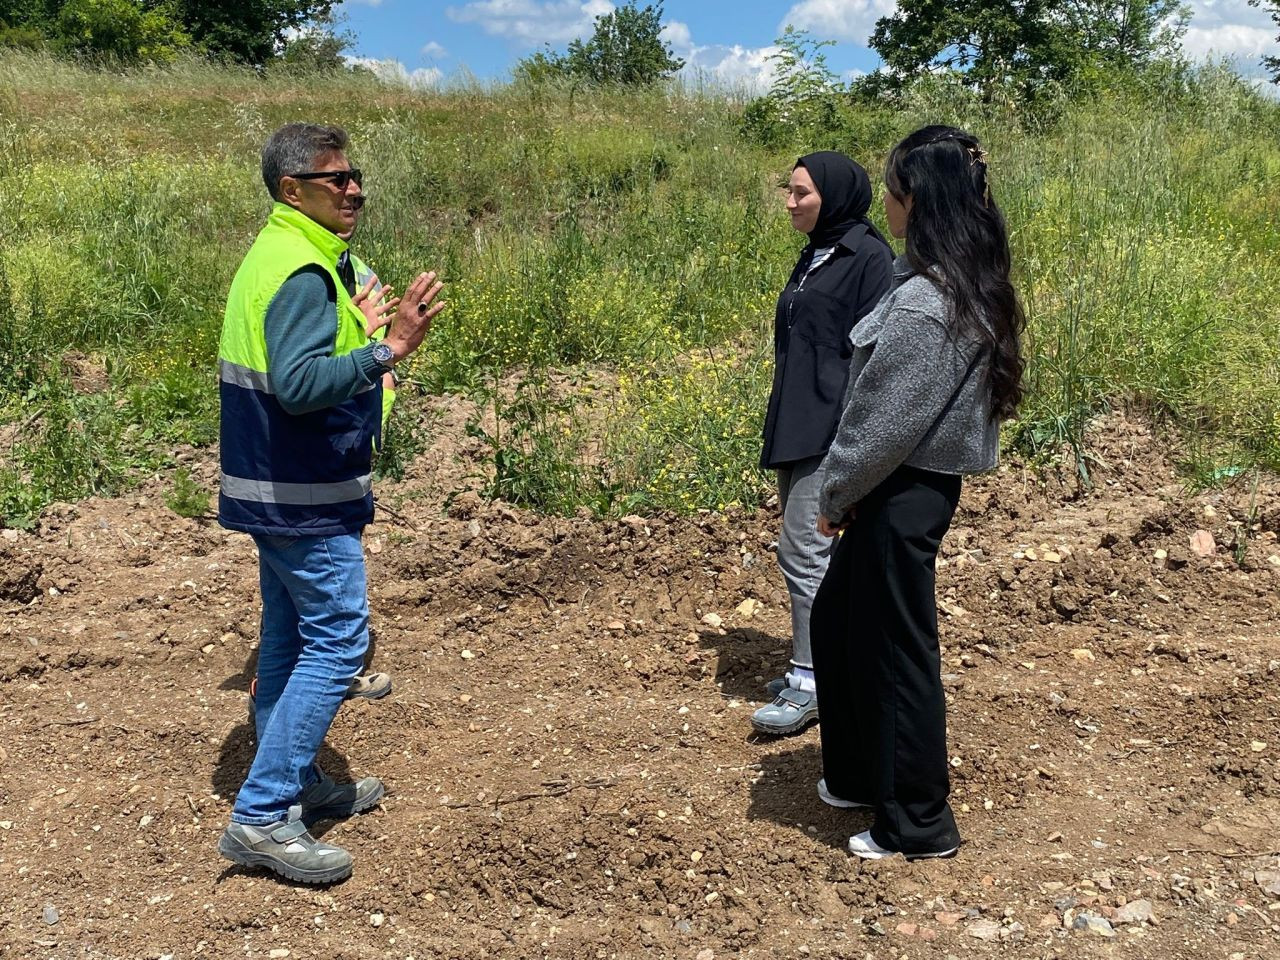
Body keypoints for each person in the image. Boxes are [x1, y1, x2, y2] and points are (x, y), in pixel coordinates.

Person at [216, 123, 445, 884]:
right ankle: (260, 814)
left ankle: (299, 781)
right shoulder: (302, 270)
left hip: (278, 483)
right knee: (341, 641)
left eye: (355, 177)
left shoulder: (295, 255)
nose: (353, 190)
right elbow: (300, 383)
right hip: (300, 491)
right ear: (292, 190)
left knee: (286, 636)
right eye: (335, 179)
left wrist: (365, 329)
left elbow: (306, 364)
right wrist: (390, 348)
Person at [809, 125, 1025, 860]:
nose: (888, 204)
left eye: (895, 190)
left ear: (917, 202)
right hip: (901, 487)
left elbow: (880, 423)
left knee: (898, 652)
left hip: (897, 490)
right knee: (843, 624)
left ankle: (918, 823)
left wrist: (835, 494)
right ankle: (861, 776)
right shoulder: (941, 286)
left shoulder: (927, 304)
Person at [752, 152, 893, 736]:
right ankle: (825, 664)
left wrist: (851, 439)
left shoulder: (868, 256)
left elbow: (874, 355)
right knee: (812, 556)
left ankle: (810, 682)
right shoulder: (817, 253)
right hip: (797, 421)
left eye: (801, 193)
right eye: (788, 191)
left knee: (804, 552)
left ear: (832, 196)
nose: (790, 201)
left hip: (831, 427)